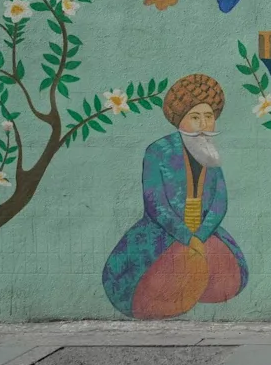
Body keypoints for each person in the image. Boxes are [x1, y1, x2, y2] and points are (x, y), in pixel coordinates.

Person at [102, 73, 248, 319]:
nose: (203, 124)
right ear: (179, 120)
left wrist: (200, 235)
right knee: (155, 281)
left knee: (231, 276)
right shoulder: (158, 151)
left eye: (209, 117)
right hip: (164, 231)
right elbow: (155, 203)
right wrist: (185, 236)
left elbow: (219, 201)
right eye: (194, 117)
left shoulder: (210, 154)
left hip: (203, 230)